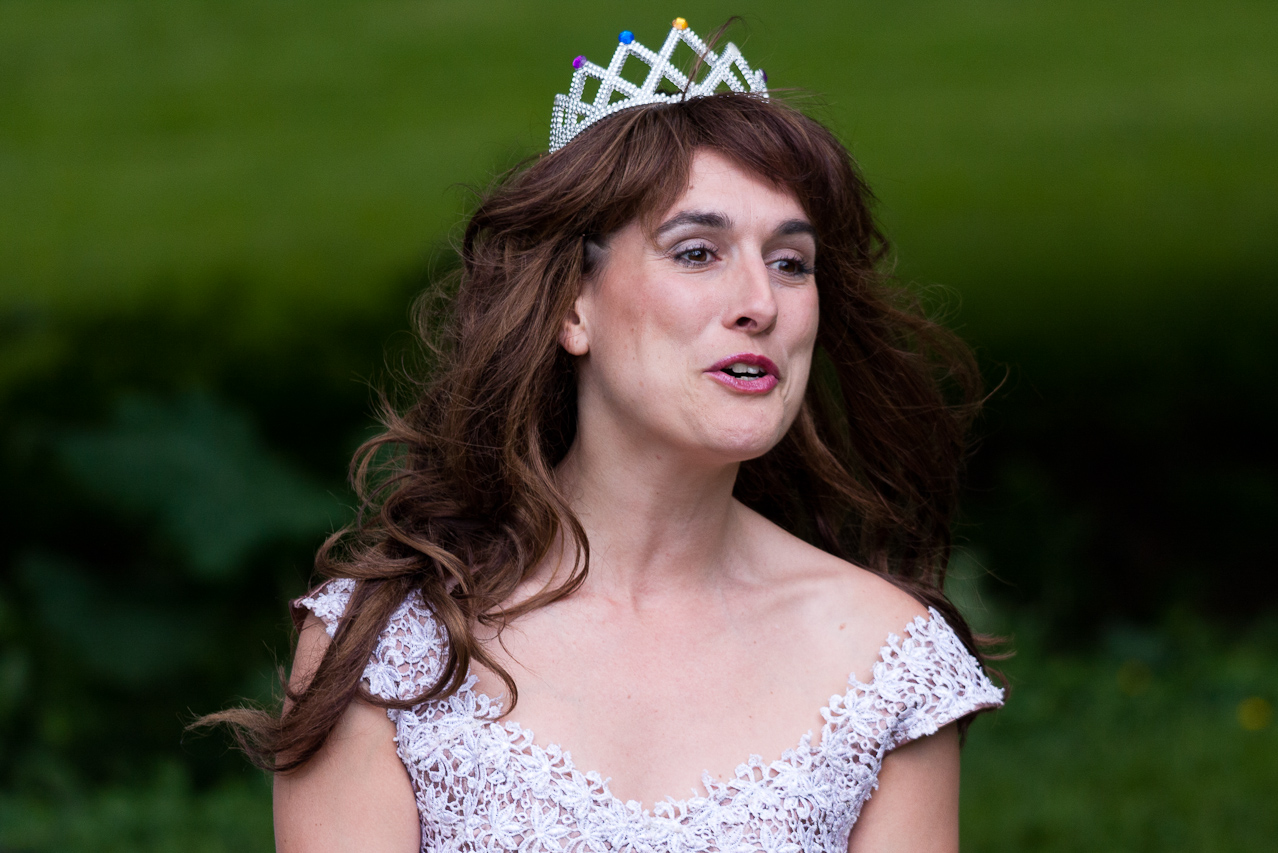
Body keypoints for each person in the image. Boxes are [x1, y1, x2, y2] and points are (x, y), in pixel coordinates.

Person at [213, 18, 1003, 853]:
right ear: (571, 307)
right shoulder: (389, 646)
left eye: (790, 262)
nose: (760, 304)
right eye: (697, 253)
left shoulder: (887, 658)